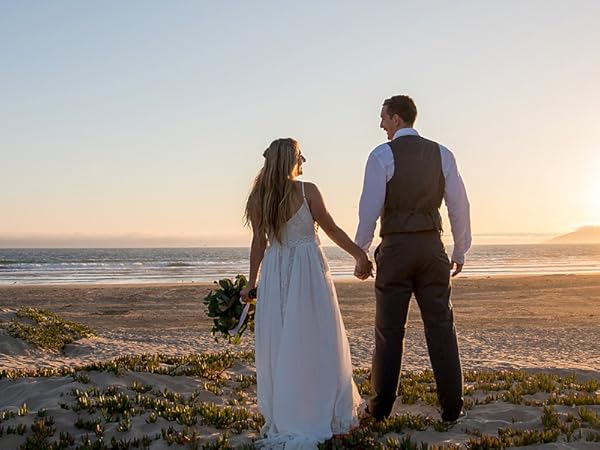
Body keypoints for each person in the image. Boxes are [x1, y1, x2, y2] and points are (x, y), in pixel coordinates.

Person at [240, 138, 371, 448]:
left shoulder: (259, 197)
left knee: (283, 339)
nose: (305, 160)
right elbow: (333, 230)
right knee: (317, 335)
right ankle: (318, 410)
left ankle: (289, 411)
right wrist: (359, 255)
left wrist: (251, 282)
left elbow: (259, 243)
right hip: (307, 270)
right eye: (301, 156)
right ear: (290, 160)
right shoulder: (306, 190)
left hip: (276, 269)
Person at [354, 95, 471, 423]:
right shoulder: (442, 154)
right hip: (433, 248)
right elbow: (459, 206)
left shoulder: (381, 156)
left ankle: (380, 410)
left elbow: (369, 210)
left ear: (396, 118)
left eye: (382, 118)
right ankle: (451, 408)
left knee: (389, 331)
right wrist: (459, 250)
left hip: (396, 250)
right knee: (442, 328)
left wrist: (360, 252)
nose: (380, 125)